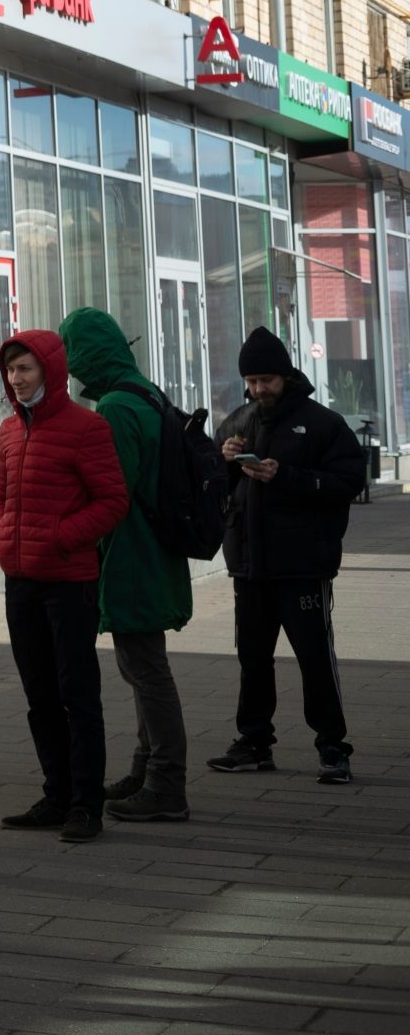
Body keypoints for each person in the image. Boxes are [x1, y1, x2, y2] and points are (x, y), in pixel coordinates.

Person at [206, 327, 365, 785]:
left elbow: (348, 480)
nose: (259, 390)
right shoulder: (238, 421)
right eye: (252, 382)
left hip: (302, 564)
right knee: (252, 658)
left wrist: (288, 476)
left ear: (286, 376)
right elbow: (214, 483)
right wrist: (224, 459)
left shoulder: (321, 423)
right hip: (249, 564)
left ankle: (333, 746)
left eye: (266, 381)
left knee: (315, 658)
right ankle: (254, 742)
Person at [0, 330, 126, 843]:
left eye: (25, 369)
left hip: (69, 583)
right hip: (20, 580)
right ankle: (57, 793)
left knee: (77, 694)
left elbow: (112, 501)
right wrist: (2, 537)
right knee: (39, 693)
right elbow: (3, 492)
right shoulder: (9, 430)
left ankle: (87, 803)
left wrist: (61, 538)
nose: (16, 379)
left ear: (50, 369)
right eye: (10, 371)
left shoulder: (87, 428)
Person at [58, 307, 193, 824]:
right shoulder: (147, 392)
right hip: (155, 550)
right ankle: (145, 768)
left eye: (73, 357)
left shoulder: (116, 407)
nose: (70, 371)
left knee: (146, 669)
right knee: (142, 667)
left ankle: (166, 783)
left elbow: (110, 491)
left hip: (132, 554)